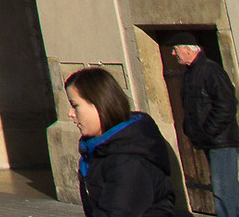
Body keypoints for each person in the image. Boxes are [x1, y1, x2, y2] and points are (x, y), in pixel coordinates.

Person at [67, 66, 180, 217]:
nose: (70, 114)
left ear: (99, 104)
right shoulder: (97, 150)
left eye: (75, 106)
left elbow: (116, 211)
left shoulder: (128, 159)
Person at [173, 36, 239, 217]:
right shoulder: (191, 73)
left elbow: (227, 104)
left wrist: (209, 131)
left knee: (223, 191)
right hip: (210, 141)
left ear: (187, 49)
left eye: (175, 49)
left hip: (222, 142)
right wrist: (191, 131)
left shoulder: (211, 70)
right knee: (230, 190)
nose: (173, 53)